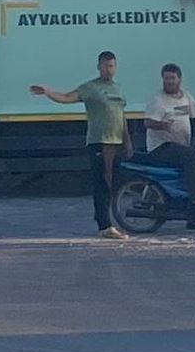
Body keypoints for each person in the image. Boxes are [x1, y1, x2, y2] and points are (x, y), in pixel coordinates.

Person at [32, 50, 129, 236]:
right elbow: (66, 97)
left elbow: (121, 115)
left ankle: (105, 218)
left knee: (112, 183)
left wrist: (128, 140)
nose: (108, 70)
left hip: (116, 142)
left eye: (111, 66)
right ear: (99, 67)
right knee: (101, 183)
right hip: (99, 141)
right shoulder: (90, 88)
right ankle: (104, 225)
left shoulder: (118, 89)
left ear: (115, 67)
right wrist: (48, 92)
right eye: (105, 66)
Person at [141, 64, 195, 216]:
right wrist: (162, 125)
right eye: (166, 78)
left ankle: (193, 218)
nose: (169, 82)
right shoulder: (158, 100)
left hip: (180, 146)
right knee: (191, 156)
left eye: (172, 78)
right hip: (161, 147)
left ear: (179, 79)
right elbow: (147, 122)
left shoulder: (186, 97)